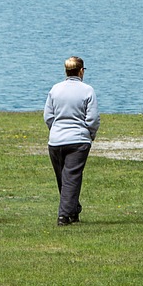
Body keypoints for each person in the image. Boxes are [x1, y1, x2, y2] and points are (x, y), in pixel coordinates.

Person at [44, 56, 99, 226]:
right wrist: (90, 134)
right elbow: (92, 119)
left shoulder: (55, 89)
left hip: (56, 140)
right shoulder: (87, 90)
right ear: (81, 70)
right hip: (78, 140)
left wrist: (55, 130)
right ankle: (64, 216)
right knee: (71, 177)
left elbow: (48, 116)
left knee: (64, 177)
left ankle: (73, 210)